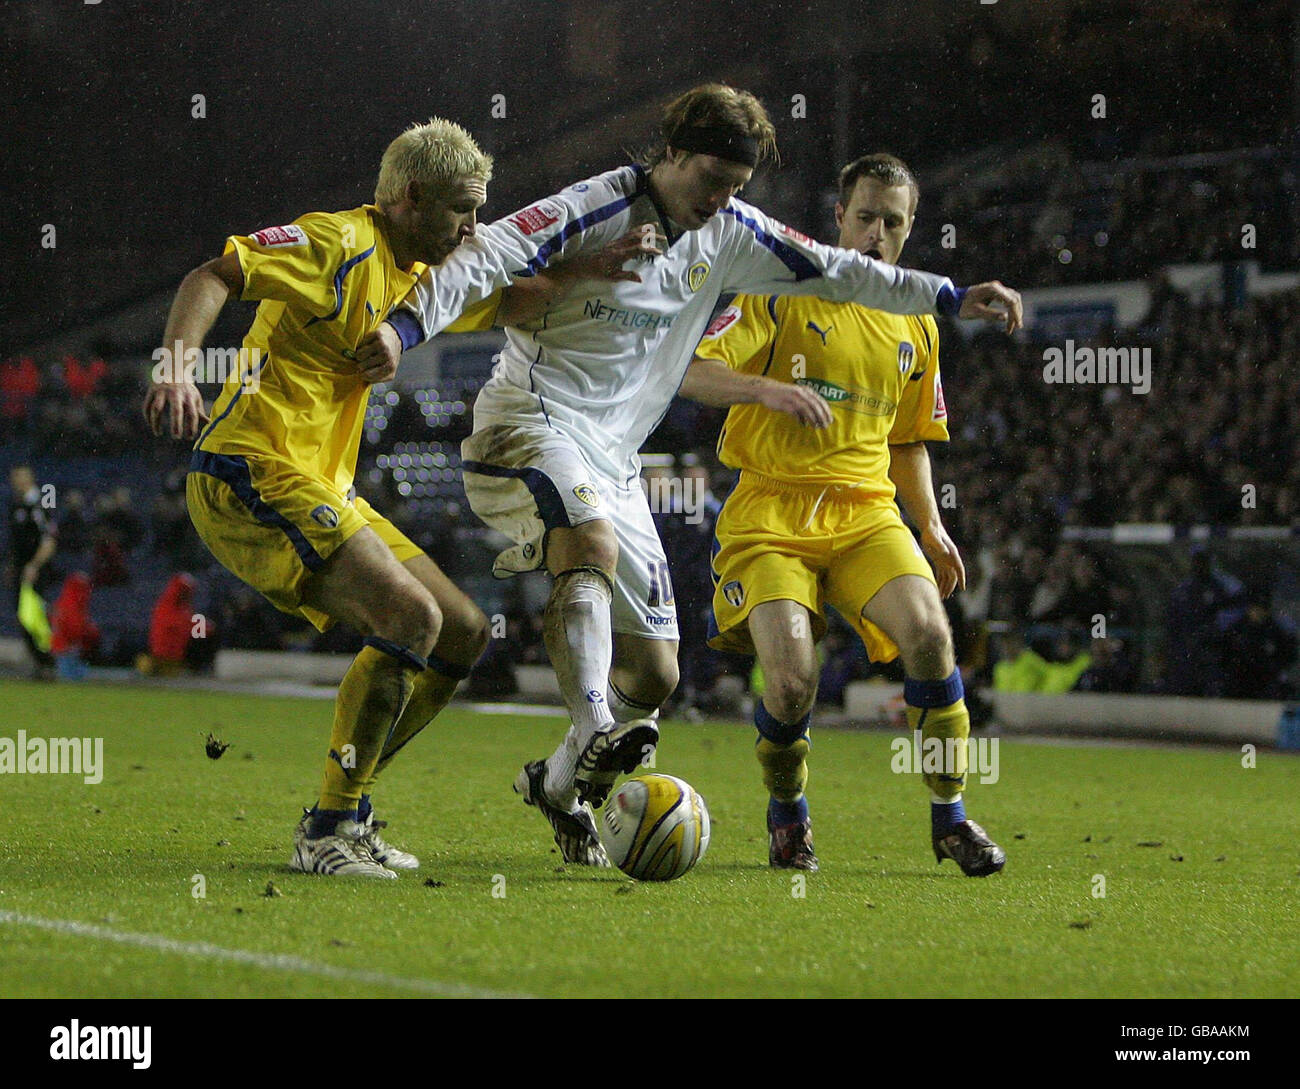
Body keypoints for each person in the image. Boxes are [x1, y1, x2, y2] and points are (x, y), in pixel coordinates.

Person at [388, 86, 1021, 867]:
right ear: (672, 154)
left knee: (656, 670)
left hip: (620, 462)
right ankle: (592, 727)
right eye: (710, 179)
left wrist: (952, 296)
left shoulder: (731, 233)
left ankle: (555, 782)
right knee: (591, 548)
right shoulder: (595, 207)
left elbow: (836, 271)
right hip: (532, 419)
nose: (720, 199)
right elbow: (483, 257)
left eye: (736, 186)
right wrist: (400, 329)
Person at [143, 118, 650, 879]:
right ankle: (328, 827)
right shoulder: (338, 244)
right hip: (248, 467)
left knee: (463, 633)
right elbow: (213, 275)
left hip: (320, 482)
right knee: (410, 617)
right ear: (411, 197)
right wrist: (176, 369)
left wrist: (594, 268)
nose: (474, 229)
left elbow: (511, 299)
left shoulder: (424, 273)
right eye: (463, 211)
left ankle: (347, 806)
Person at [681, 152, 1007, 875]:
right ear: (839, 218)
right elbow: (694, 371)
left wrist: (932, 524)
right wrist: (764, 392)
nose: (877, 234)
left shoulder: (917, 323)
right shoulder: (780, 288)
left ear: (910, 228)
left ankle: (950, 816)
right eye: (865, 217)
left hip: (866, 512)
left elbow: (910, 439)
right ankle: (788, 812)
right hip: (771, 508)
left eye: (893, 222)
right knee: (793, 681)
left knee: (930, 634)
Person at [7, 465, 57, 679]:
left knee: (34, 616)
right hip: (22, 568)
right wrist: (12, 565)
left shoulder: (43, 499)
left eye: (19, 476)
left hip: (35, 570)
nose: (14, 480)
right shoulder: (16, 505)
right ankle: (41, 662)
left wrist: (34, 565)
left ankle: (48, 662)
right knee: (25, 615)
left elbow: (49, 539)